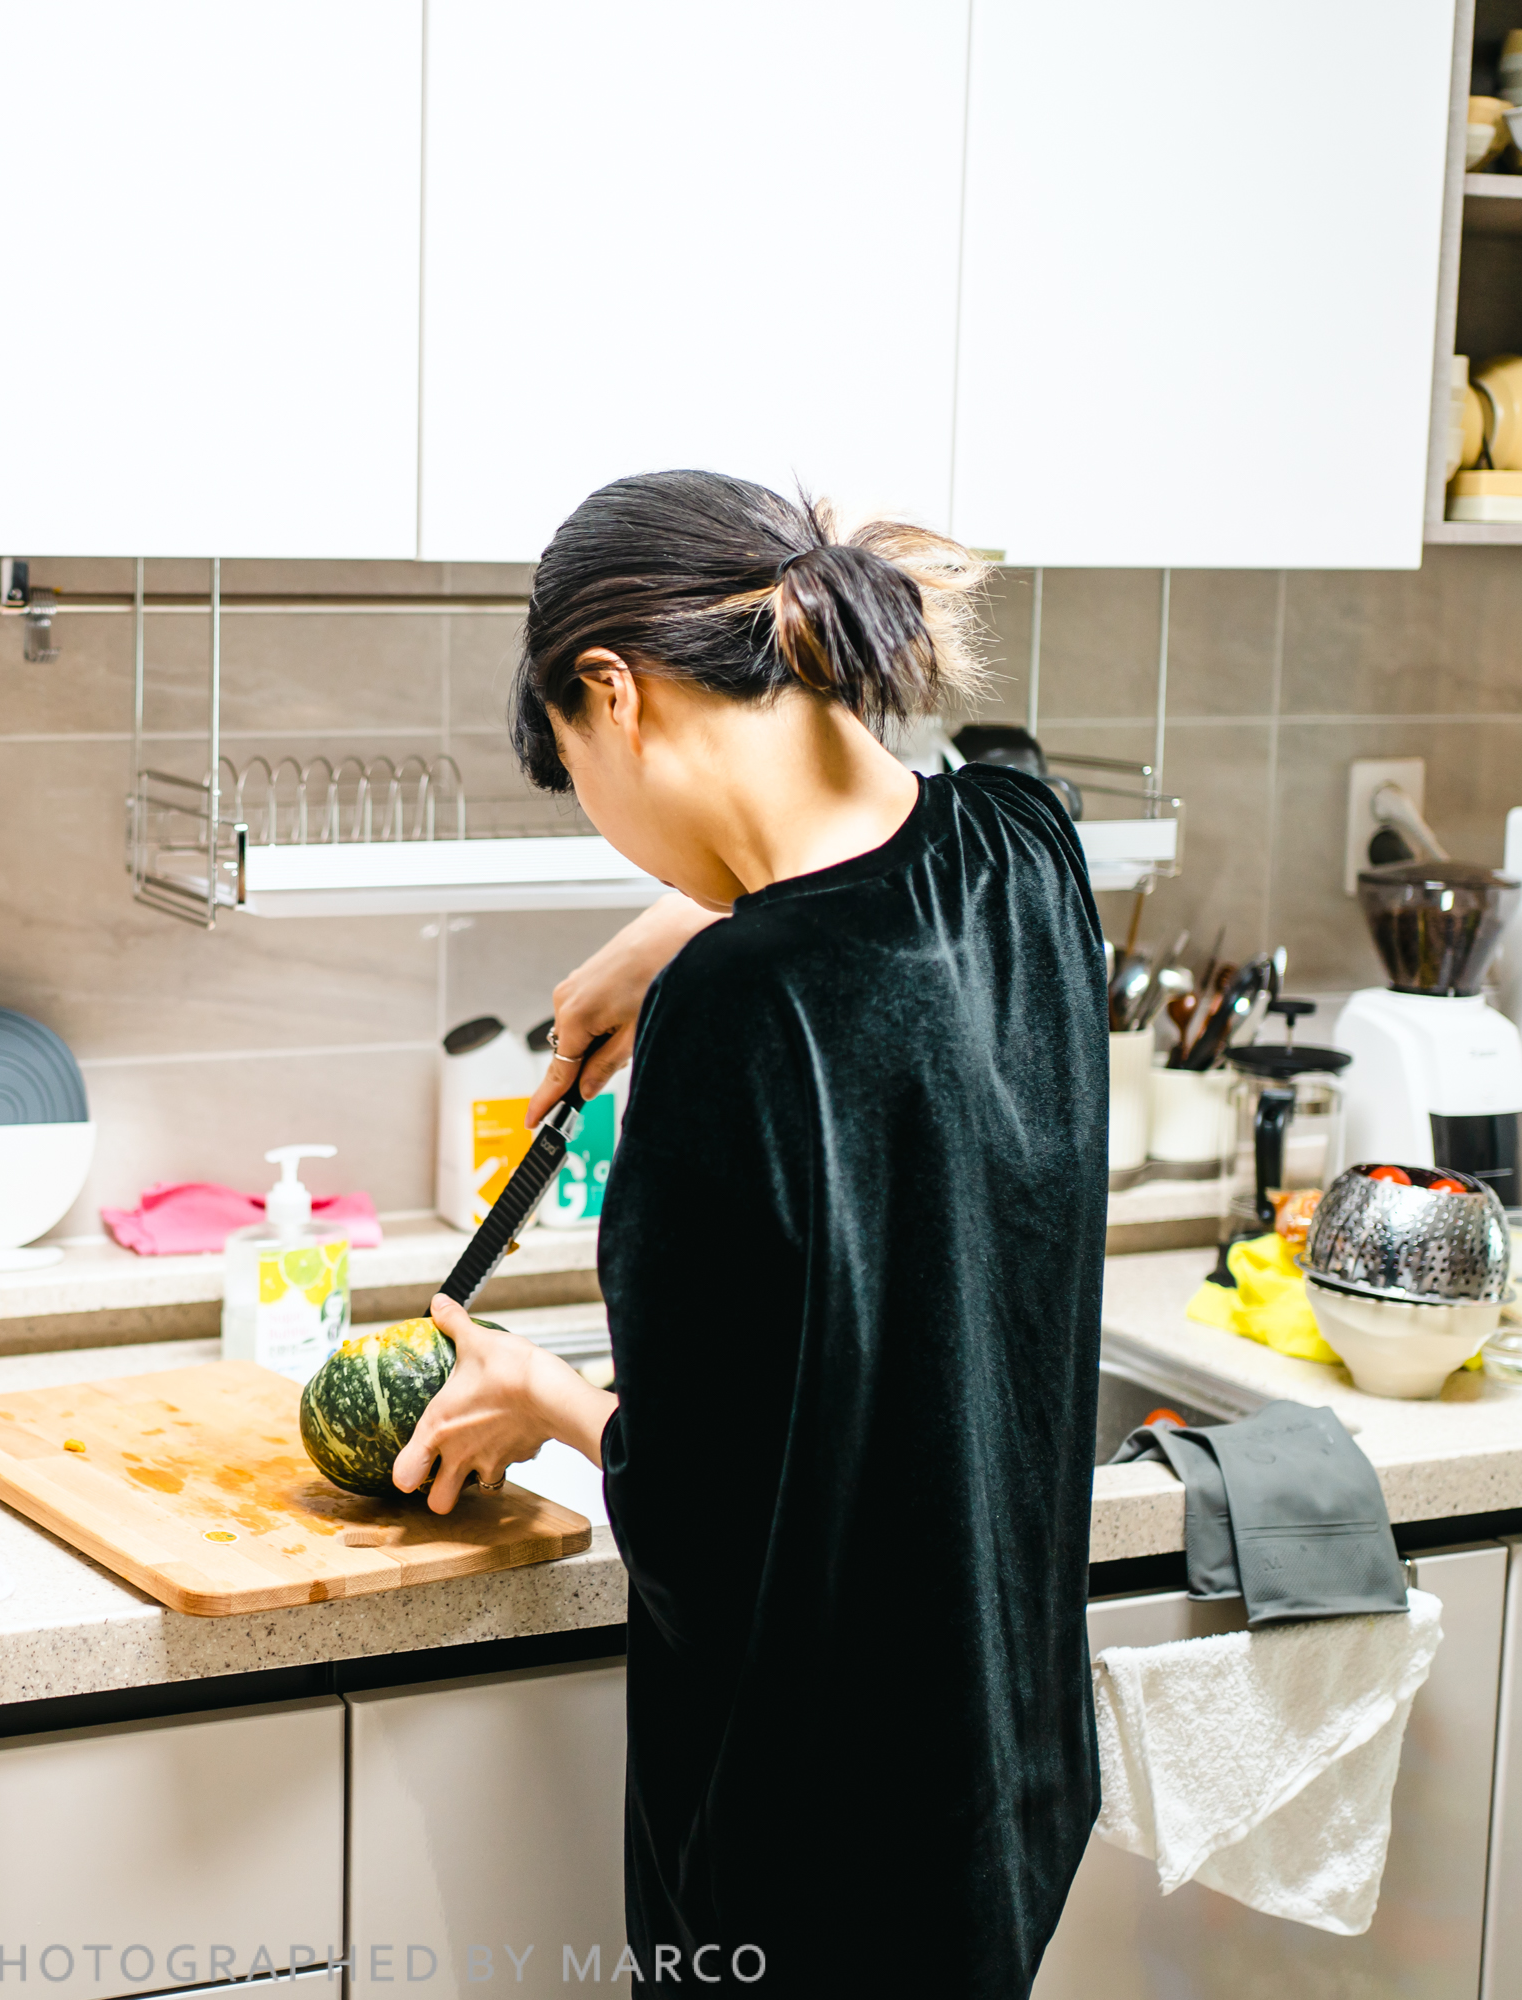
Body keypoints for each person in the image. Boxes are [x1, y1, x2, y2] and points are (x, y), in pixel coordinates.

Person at [390, 471, 1106, 1995]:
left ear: (615, 693)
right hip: (1005, 1790)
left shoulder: (739, 1013)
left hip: (810, 1854)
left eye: (583, 779)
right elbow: (924, 810)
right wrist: (693, 914)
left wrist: (539, 1395)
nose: (624, 850)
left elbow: (706, 1521)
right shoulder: (1030, 855)